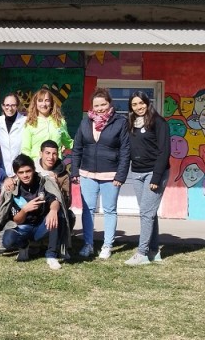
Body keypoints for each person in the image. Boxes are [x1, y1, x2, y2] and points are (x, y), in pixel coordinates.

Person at [71, 87, 130, 259]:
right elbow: (77, 148)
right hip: (87, 174)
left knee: (110, 210)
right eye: (96, 105)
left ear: (109, 104)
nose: (100, 108)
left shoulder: (120, 122)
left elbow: (126, 150)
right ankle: (88, 244)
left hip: (110, 175)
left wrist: (121, 175)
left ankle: (107, 246)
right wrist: (75, 170)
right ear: (92, 106)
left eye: (103, 104)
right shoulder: (85, 122)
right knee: (88, 210)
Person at [0, 154, 71, 270]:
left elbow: (54, 200)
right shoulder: (13, 188)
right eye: (21, 172)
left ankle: (51, 255)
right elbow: (17, 220)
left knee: (58, 214)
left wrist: (53, 210)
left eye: (28, 171)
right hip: (22, 228)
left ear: (34, 169)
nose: (25, 175)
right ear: (16, 174)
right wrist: (25, 209)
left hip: (41, 227)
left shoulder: (43, 183)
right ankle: (24, 246)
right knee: (8, 241)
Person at [124, 91, 170, 265]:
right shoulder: (131, 123)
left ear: (147, 103)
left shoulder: (159, 122)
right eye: (134, 104)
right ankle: (154, 251)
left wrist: (156, 177)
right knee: (149, 213)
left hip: (154, 173)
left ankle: (142, 253)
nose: (138, 107)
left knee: (145, 213)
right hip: (136, 173)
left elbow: (164, 151)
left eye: (141, 103)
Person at [21, 88, 73, 162]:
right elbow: (25, 149)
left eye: (47, 100)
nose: (43, 104)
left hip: (56, 165)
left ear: (51, 102)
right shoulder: (30, 123)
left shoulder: (60, 122)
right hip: (36, 166)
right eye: (40, 101)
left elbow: (68, 142)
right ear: (35, 103)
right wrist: (30, 166)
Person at [36, 140, 74, 229]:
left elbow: (67, 202)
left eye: (54, 154)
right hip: (35, 209)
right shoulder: (31, 169)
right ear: (41, 154)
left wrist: (56, 186)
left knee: (69, 215)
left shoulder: (63, 175)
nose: (51, 157)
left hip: (54, 209)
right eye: (47, 153)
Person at [0, 92, 26, 175]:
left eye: (13, 105)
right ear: (2, 106)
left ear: (17, 106)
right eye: (7, 105)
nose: (10, 108)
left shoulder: (25, 121)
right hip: (3, 168)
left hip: (21, 167)